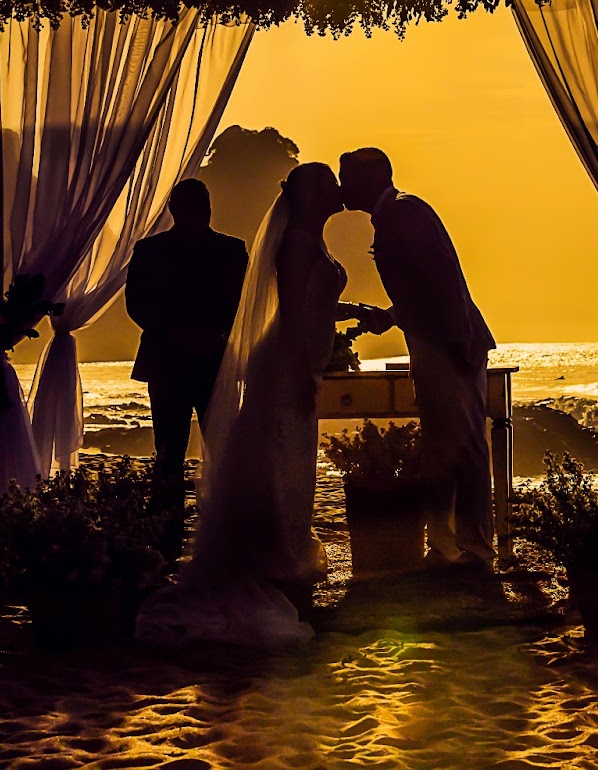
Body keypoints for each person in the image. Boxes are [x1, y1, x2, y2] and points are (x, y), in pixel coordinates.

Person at [135, 162, 374, 647]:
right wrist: (306, 361)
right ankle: (187, 547)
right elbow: (286, 312)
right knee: (178, 455)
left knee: (250, 455)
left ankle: (272, 547)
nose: (337, 190)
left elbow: (269, 302)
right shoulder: (294, 243)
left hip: (263, 358)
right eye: (328, 184)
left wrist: (349, 315)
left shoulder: (252, 247)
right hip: (230, 361)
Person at [340, 147, 497, 572]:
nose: (341, 187)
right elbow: (421, 291)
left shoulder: (403, 213)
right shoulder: (395, 215)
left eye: (346, 177)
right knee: (444, 446)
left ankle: (476, 548)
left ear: (373, 178)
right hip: (435, 346)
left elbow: (445, 277)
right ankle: (448, 546)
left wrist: (461, 341)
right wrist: (389, 318)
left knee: (464, 447)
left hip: (449, 346)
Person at [125, 178, 248, 560]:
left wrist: (212, 334)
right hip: (175, 360)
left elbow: (243, 301)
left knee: (220, 447)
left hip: (206, 359)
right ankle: (168, 531)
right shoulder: (150, 251)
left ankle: (221, 526)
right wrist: (181, 333)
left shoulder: (230, 250)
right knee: (170, 451)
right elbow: (137, 304)